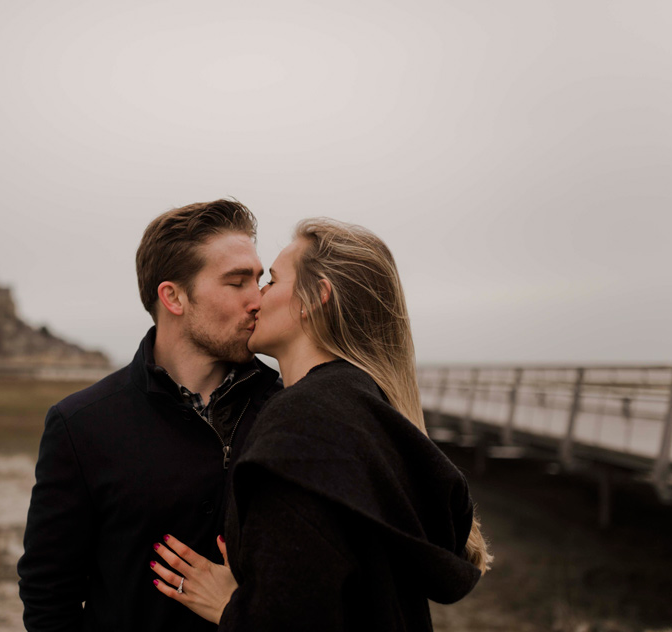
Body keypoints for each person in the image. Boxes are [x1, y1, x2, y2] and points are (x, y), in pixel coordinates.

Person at [151, 218, 491, 630]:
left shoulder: (300, 425)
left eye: (271, 281)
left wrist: (233, 610)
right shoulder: (366, 407)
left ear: (315, 299)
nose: (257, 299)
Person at [17, 199, 282, 632]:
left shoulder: (291, 410)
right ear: (173, 296)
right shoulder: (80, 425)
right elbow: (49, 594)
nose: (258, 299)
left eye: (259, 279)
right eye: (237, 282)